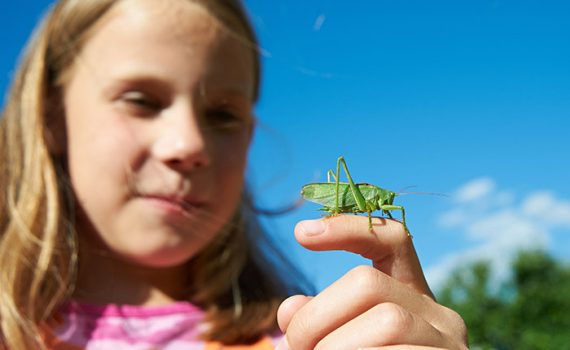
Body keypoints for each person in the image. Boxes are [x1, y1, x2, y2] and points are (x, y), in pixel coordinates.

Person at [0, 0, 468, 349]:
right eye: (142, 100)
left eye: (222, 115)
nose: (189, 144)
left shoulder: (299, 334)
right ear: (51, 118)